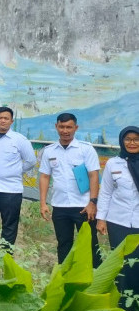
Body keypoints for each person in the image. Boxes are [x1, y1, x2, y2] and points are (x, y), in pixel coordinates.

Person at [39, 113, 101, 267]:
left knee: (90, 244)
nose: (65, 131)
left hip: (84, 207)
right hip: (60, 207)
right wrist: (42, 203)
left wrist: (93, 202)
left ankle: (94, 279)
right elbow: (45, 177)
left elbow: (94, 176)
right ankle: (65, 280)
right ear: (56, 127)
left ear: (76, 128)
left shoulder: (86, 149)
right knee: (64, 244)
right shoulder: (49, 151)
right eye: (62, 127)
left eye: (69, 127)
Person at [0, 106, 36, 254]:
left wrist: (15, 171)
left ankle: (5, 257)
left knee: (9, 225)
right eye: (0, 118)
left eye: (6, 118)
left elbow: (31, 161)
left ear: (11, 121)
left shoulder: (19, 140)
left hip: (11, 190)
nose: (3, 121)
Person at [97, 126, 139, 311]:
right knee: (122, 263)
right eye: (128, 139)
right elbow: (105, 192)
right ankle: (123, 305)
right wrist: (101, 218)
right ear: (122, 141)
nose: (132, 143)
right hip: (118, 221)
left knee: (136, 263)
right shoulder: (114, 164)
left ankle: (135, 303)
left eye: (136, 139)